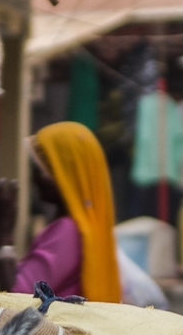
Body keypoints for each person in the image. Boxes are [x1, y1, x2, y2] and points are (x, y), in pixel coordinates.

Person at [15, 121, 124, 301]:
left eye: (40, 170)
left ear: (63, 174)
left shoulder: (67, 230)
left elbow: (15, 298)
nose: (34, 179)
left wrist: (3, 240)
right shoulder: (89, 230)